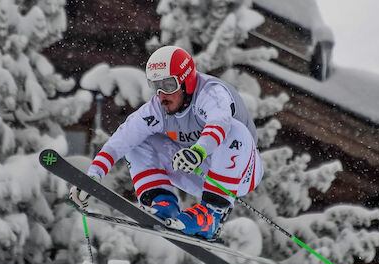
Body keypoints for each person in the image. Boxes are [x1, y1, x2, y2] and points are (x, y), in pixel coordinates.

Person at [70, 45, 263, 240]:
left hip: (241, 172)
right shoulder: (157, 108)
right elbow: (120, 141)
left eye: (169, 85)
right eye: (155, 86)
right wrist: (92, 177)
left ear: (187, 81)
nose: (162, 95)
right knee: (139, 138)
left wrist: (198, 151)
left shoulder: (211, 93)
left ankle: (211, 215)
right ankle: (162, 203)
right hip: (197, 173)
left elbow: (219, 123)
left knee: (234, 129)